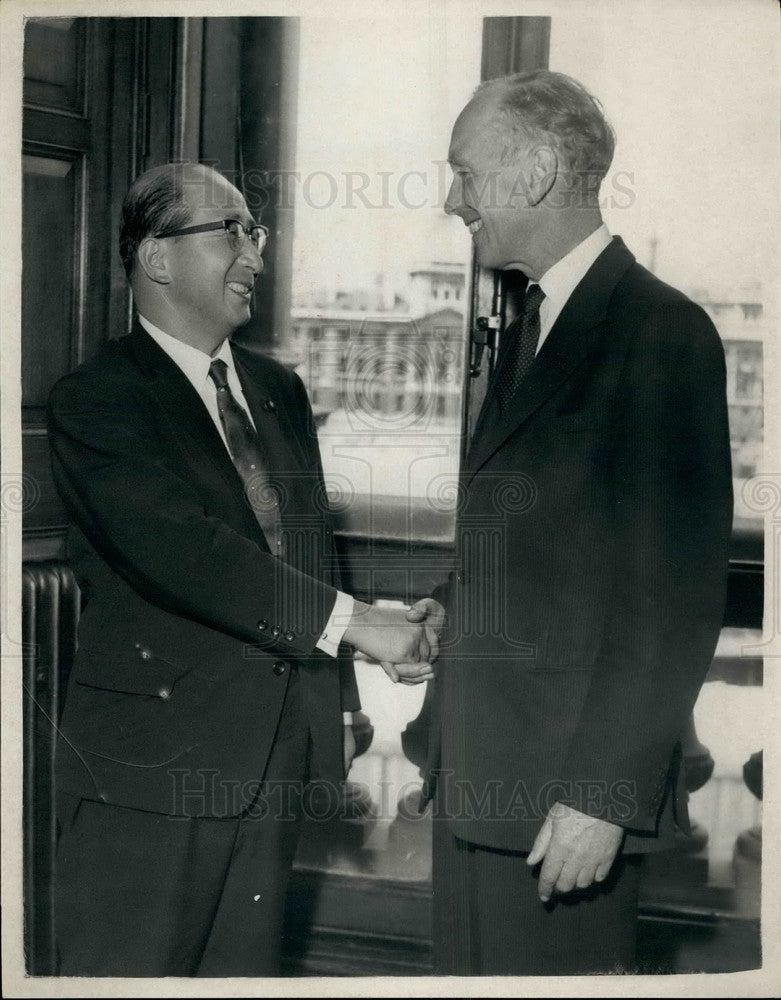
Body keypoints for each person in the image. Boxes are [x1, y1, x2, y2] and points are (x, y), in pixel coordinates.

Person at [46, 162, 434, 977]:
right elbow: (185, 552)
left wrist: (338, 709)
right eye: (230, 231)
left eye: (254, 231)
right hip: (152, 776)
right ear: (157, 257)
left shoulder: (276, 388)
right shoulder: (99, 398)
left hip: (275, 765)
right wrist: (360, 625)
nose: (255, 253)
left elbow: (308, 548)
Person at [412, 70, 733, 975]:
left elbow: (672, 599)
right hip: (481, 787)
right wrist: (452, 610)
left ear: (537, 170)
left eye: (464, 173)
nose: (452, 201)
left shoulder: (660, 331)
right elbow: (549, 545)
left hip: (563, 807)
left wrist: (601, 797)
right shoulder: (533, 323)